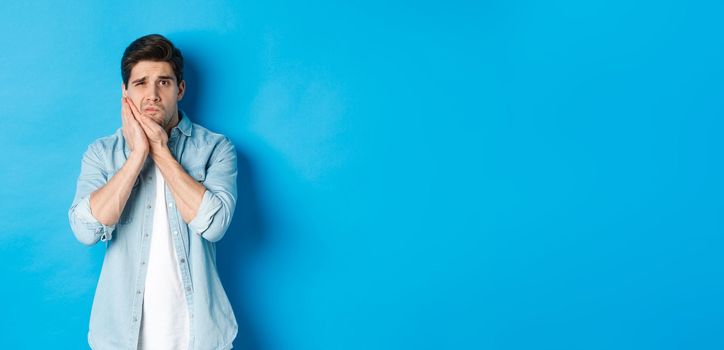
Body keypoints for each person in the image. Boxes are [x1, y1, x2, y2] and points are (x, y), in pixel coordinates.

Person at [69, 34, 238, 350]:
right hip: (121, 337)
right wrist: (137, 156)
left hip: (199, 336)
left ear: (180, 89)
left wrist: (159, 148)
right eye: (141, 83)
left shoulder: (216, 148)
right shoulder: (102, 153)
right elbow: (85, 229)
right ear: (125, 92)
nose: (153, 94)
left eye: (164, 82)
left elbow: (214, 225)